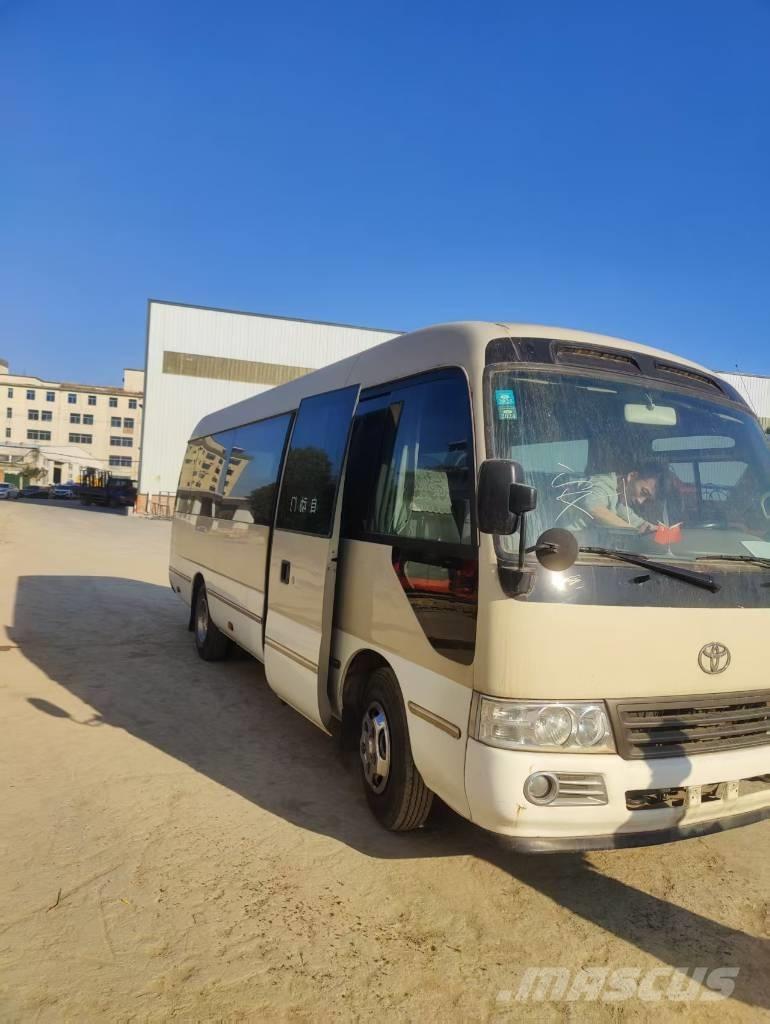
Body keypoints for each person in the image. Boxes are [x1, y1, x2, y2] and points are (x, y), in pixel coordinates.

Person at [568, 463, 662, 534]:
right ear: (632, 476)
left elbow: (639, 523)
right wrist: (632, 531)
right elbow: (594, 509)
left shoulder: (619, 499)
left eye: (647, 499)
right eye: (643, 492)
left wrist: (657, 530)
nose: (640, 501)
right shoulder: (601, 485)